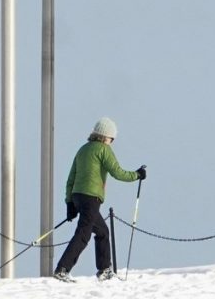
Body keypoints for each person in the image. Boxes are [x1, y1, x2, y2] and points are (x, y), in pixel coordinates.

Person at [54, 117, 146, 282]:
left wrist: (70, 203)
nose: (112, 141)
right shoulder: (103, 150)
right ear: (106, 136)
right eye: (112, 138)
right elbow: (118, 173)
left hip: (78, 196)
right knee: (83, 233)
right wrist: (137, 175)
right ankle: (62, 269)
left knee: (103, 232)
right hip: (91, 198)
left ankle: (104, 269)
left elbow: (71, 178)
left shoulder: (83, 150)